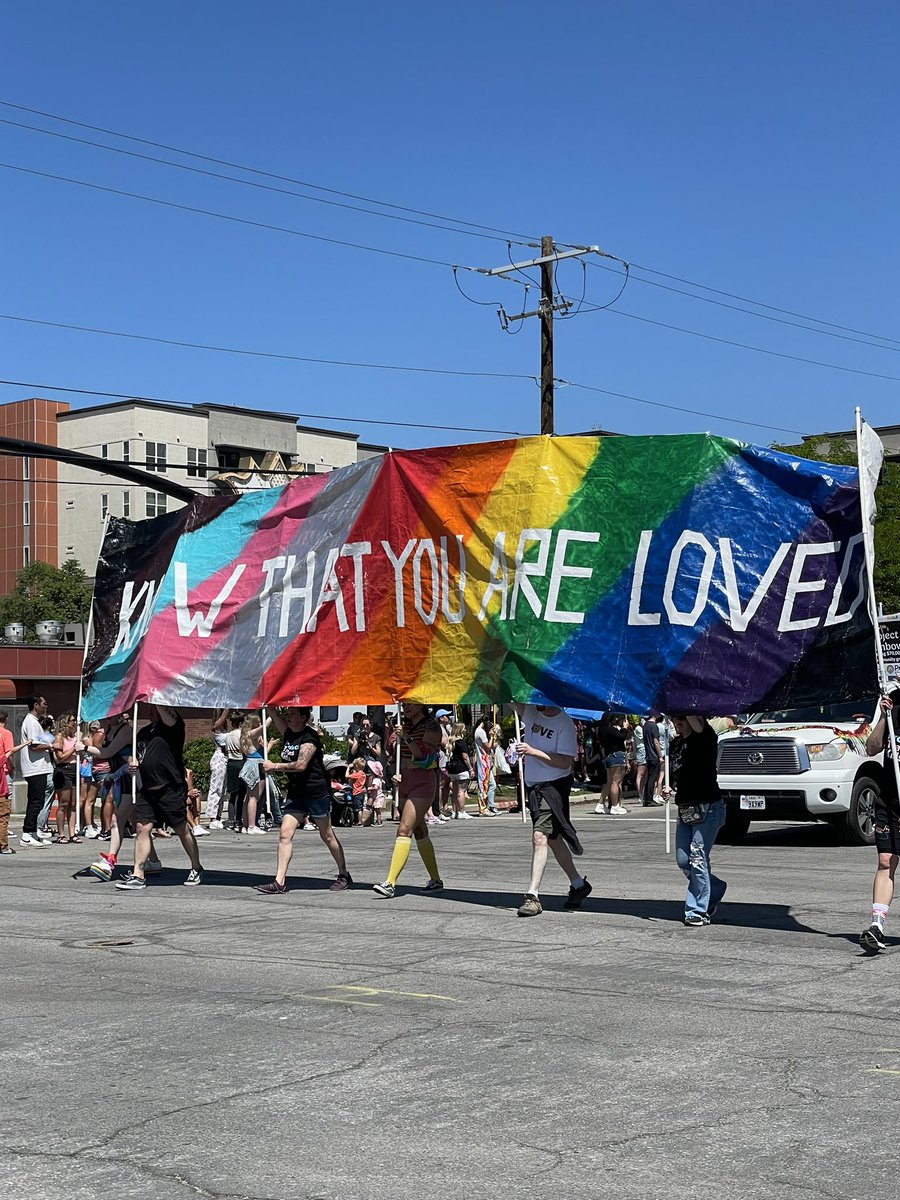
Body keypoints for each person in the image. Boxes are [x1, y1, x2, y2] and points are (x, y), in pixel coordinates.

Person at [254, 706, 352, 895]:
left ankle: (344, 874)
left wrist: (274, 766)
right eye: (288, 714)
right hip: (296, 793)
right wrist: (269, 702)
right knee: (285, 834)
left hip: (316, 792)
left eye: (293, 714)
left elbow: (300, 765)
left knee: (327, 835)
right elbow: (274, 714)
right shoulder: (289, 732)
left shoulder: (309, 738)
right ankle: (279, 881)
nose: (288, 717)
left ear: (304, 717)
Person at [513, 703, 591, 916]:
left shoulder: (564, 723)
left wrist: (532, 751)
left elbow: (565, 763)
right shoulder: (531, 712)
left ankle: (533, 896)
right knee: (553, 838)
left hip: (553, 787)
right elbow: (508, 696)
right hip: (534, 788)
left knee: (539, 836)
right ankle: (578, 885)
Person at [114, 706, 204, 890]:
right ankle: (138, 874)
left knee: (181, 829)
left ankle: (196, 866)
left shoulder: (174, 726)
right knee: (142, 828)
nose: (150, 711)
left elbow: (167, 714)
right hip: (147, 790)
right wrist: (132, 762)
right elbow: (135, 754)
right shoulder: (144, 732)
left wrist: (156, 695)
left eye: (154, 709)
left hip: (170, 788)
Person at [373, 703, 443, 898]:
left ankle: (390, 882)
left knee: (404, 829)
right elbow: (393, 754)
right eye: (404, 704)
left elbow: (423, 755)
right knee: (420, 830)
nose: (406, 707)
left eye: (411, 704)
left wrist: (406, 737)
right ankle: (436, 879)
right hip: (404, 780)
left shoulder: (431, 726)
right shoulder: (404, 724)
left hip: (422, 782)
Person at [664, 714, 726, 927]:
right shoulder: (676, 743)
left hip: (708, 807)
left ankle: (697, 910)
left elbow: (693, 718)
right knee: (684, 860)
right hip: (686, 808)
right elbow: (676, 771)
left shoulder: (705, 736)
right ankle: (714, 888)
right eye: (674, 720)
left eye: (681, 719)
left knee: (698, 858)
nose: (677, 723)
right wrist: (666, 787)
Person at [860, 691, 900, 954]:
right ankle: (877, 926)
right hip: (890, 800)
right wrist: (885, 716)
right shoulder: (893, 703)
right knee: (886, 861)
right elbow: (872, 747)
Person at [19, 695, 53, 848]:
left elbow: (41, 740)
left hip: (39, 767)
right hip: (34, 768)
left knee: (38, 801)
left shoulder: (35, 722)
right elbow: (34, 745)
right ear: (36, 705)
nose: (46, 706)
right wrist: (52, 746)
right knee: (36, 801)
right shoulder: (31, 722)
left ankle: (33, 833)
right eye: (44, 704)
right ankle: (26, 834)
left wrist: (49, 740)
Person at [0, 729, 31, 855]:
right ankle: (3, 847)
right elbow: (10, 751)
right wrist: (26, 743)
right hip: (1, 795)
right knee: (2, 821)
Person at [596, 713, 630, 815]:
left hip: (608, 755)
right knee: (616, 782)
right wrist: (624, 728)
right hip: (616, 755)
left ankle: (600, 804)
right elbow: (622, 736)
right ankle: (615, 806)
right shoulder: (610, 729)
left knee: (609, 782)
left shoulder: (602, 730)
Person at [473, 713, 498, 816]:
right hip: (483, 761)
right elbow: (488, 747)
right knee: (483, 784)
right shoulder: (480, 732)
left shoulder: (481, 731)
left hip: (486, 760)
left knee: (491, 784)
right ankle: (482, 808)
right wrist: (492, 736)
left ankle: (489, 806)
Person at [642, 713, 664, 806]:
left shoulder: (645, 725)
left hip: (648, 754)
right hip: (654, 755)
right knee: (652, 778)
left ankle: (646, 799)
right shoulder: (654, 726)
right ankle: (649, 800)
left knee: (649, 778)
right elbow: (656, 742)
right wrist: (660, 756)